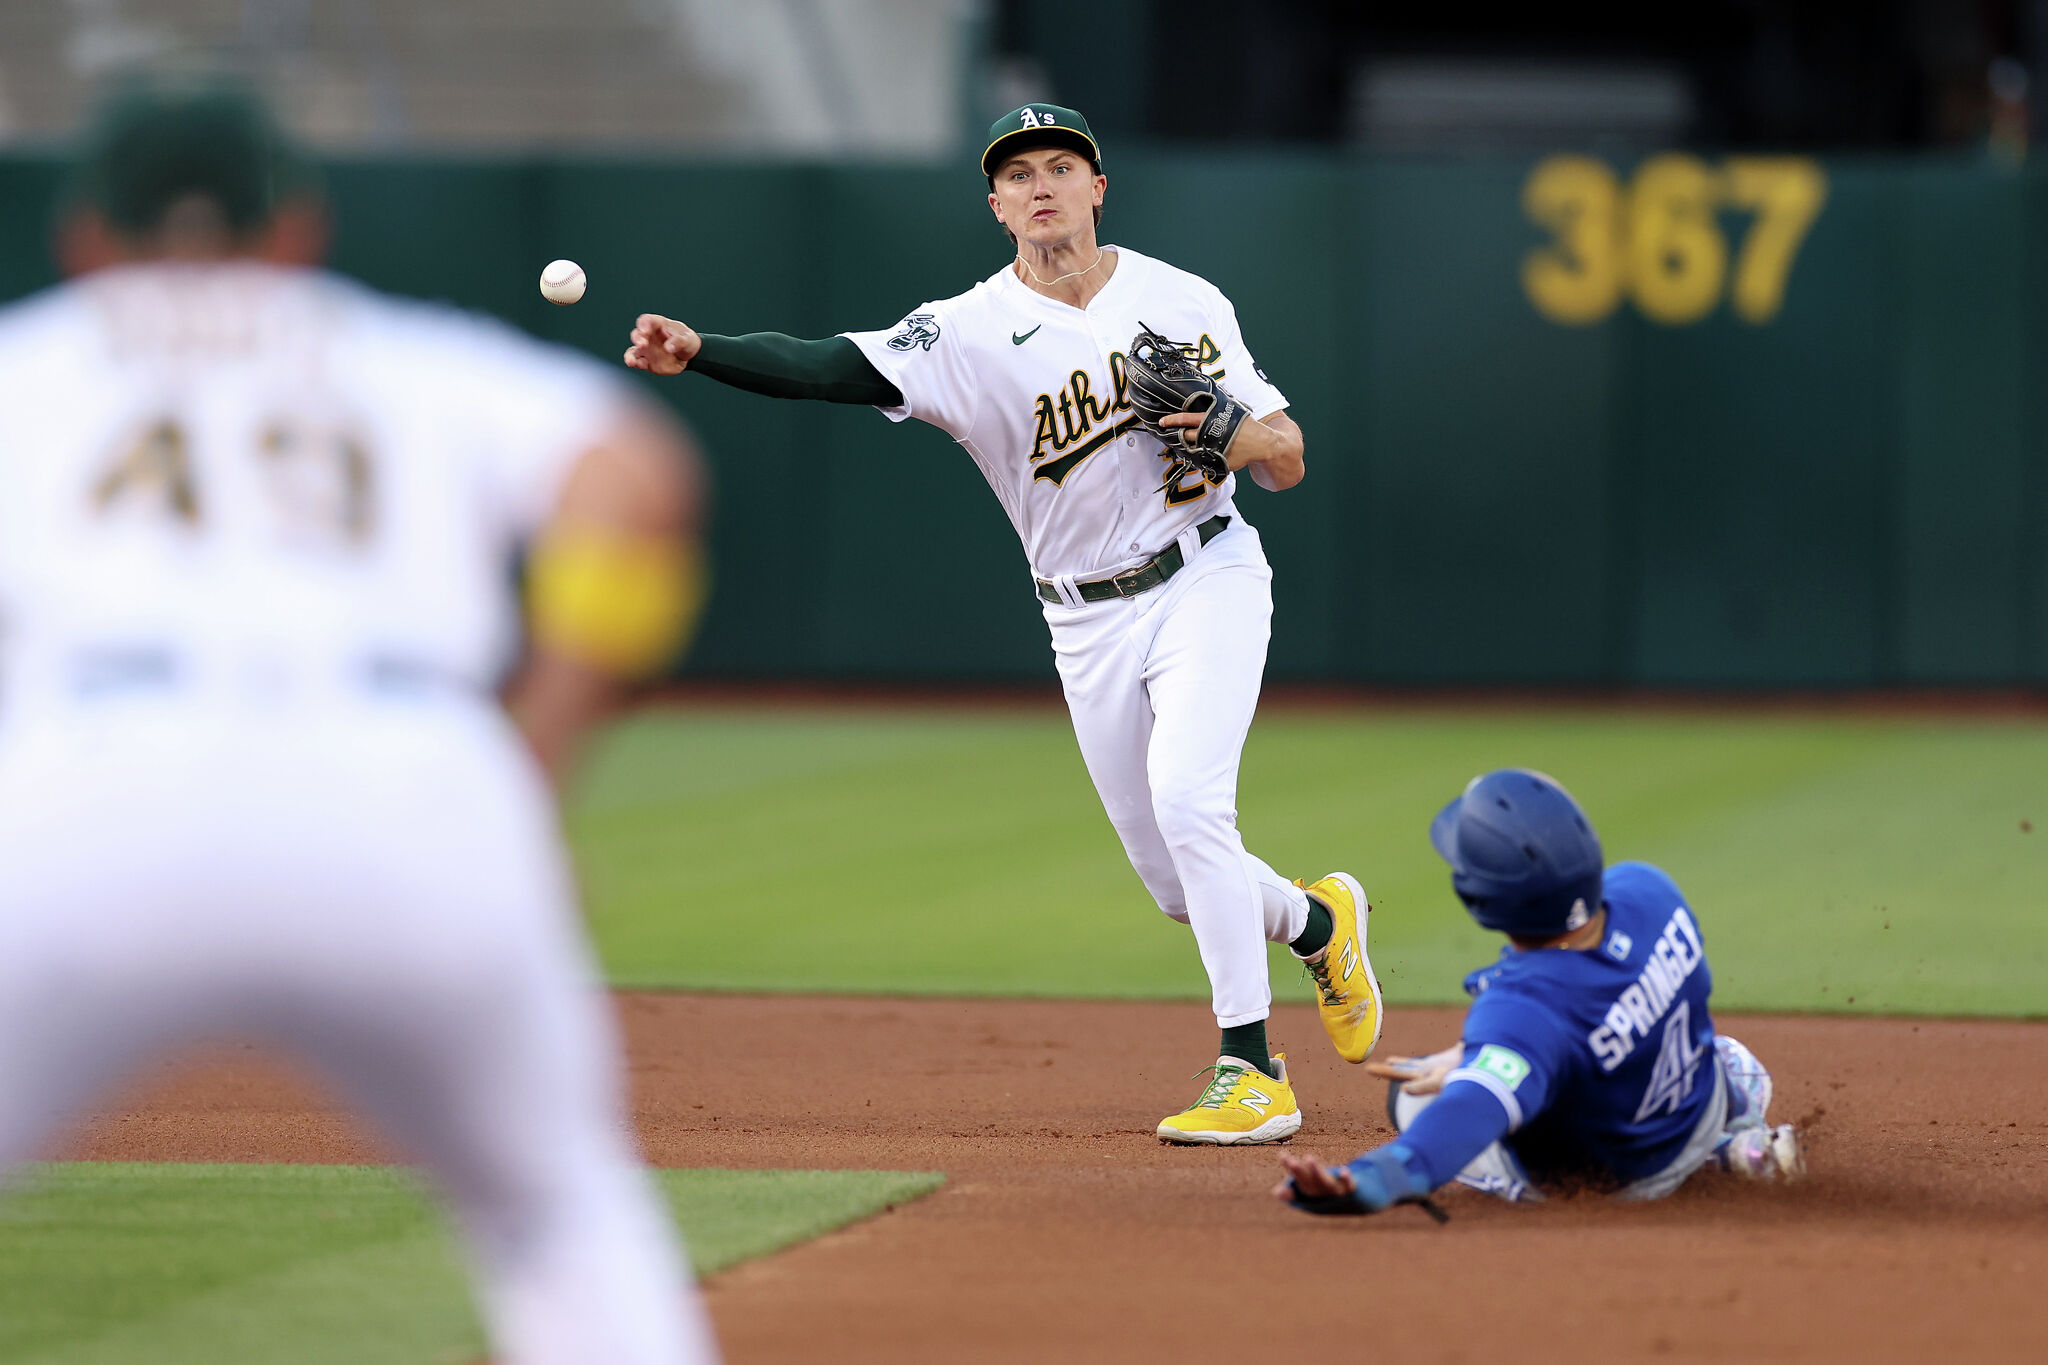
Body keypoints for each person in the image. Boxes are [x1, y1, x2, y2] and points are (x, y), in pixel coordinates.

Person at [0, 74, 719, 1363]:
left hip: (96, 793)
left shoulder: (33, 360)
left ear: (85, 236)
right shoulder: (413, 356)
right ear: (296, 228)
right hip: (411, 790)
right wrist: (529, 759)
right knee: (557, 1217)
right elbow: (639, 485)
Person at [623, 103, 1383, 1144]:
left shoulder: (1181, 297)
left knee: (1189, 804)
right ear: (994, 204)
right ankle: (1316, 921)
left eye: (1060, 165)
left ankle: (1250, 1069)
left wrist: (1230, 430)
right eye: (1018, 172)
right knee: (1173, 882)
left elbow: (1286, 456)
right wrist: (702, 349)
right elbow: (828, 366)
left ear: (1096, 186)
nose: (1040, 185)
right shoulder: (967, 329)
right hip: (1083, 620)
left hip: (1205, 575)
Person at [1275, 769, 1803, 1216]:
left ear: (1479, 900)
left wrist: (1369, 1182)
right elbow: (1607, 1001)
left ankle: (1718, 1157)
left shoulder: (1521, 1011)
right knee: (1724, 1053)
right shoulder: (1650, 890)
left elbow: (1459, 1123)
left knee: (1412, 1093)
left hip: (1622, 1181)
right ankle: (1734, 1138)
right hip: (1697, 1106)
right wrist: (1475, 1056)